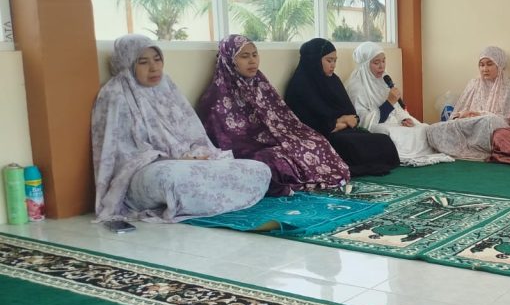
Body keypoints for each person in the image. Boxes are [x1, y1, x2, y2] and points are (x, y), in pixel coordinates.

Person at [91, 34, 271, 222]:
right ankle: (197, 198)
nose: (154, 67)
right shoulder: (115, 94)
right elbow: (120, 154)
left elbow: (194, 133)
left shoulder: (166, 85)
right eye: (143, 62)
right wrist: (172, 157)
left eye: (157, 59)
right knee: (173, 179)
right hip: (144, 171)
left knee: (259, 170)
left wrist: (195, 153)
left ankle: (197, 201)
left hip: (186, 161)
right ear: (127, 63)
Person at [196, 34, 350, 196]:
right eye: (244, 56)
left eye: (255, 55)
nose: (252, 61)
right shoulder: (215, 97)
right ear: (229, 60)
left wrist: (288, 138)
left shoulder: (259, 84)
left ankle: (313, 176)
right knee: (273, 158)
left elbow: (282, 116)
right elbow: (223, 140)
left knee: (315, 141)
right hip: (248, 149)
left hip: (274, 138)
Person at [284, 38, 400, 177]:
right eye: (329, 60)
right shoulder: (300, 85)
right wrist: (341, 121)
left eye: (335, 61)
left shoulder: (333, 80)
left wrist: (344, 121)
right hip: (323, 136)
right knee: (351, 144)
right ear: (314, 60)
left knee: (383, 140)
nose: (333, 65)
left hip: (342, 130)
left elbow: (353, 116)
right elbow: (307, 125)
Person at [344, 42, 452, 166]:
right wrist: (389, 103)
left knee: (423, 128)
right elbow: (363, 122)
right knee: (390, 133)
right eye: (376, 62)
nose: (382, 66)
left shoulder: (384, 79)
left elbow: (398, 109)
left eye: (383, 61)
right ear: (365, 64)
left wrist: (404, 119)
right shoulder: (356, 87)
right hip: (376, 126)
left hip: (393, 121)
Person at [426, 46, 510, 159]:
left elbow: (506, 118)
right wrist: (460, 115)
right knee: (433, 129)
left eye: (489, 64)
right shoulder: (474, 83)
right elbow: (460, 108)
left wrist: (478, 114)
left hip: (491, 124)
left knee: (488, 121)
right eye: (481, 65)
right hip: (471, 122)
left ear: (500, 65)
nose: (485, 69)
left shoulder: (509, 86)